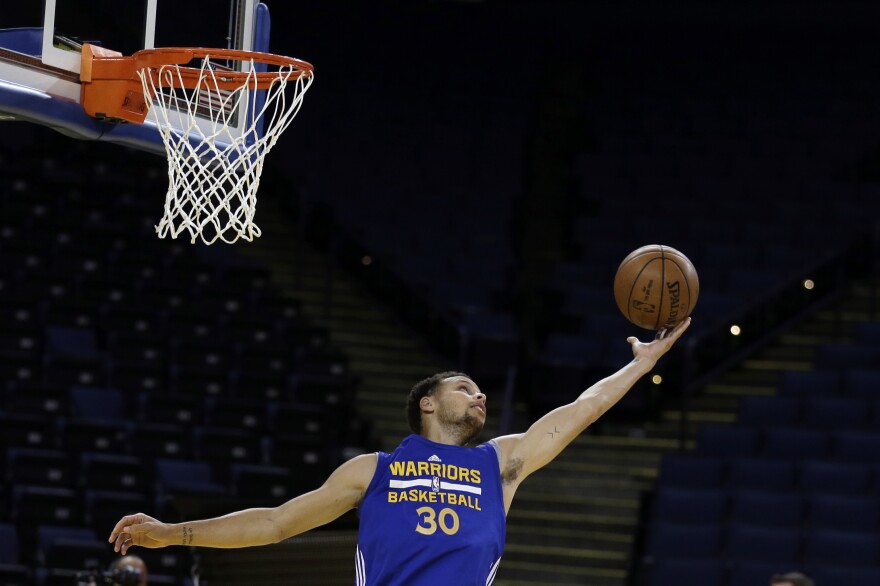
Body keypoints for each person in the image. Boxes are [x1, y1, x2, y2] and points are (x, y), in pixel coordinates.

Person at [109, 318, 691, 585]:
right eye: (464, 387)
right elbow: (275, 522)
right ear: (428, 405)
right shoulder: (373, 470)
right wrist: (172, 533)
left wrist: (639, 367)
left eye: (481, 388)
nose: (480, 393)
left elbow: (579, 411)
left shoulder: (500, 461)